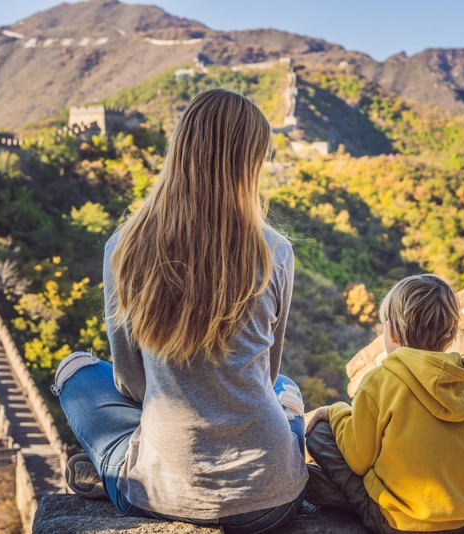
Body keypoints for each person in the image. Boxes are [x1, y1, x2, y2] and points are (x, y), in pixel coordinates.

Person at [51, 88, 308, 533]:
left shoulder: (124, 248)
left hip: (162, 496)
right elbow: (264, 374)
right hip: (273, 497)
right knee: (284, 387)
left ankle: (112, 469)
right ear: (248, 163)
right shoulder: (276, 252)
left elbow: (131, 386)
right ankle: (286, 416)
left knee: (75, 372)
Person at [304, 274, 464, 533]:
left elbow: (357, 460)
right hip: (462, 521)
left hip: (398, 523)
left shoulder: (379, 381)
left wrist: (335, 411)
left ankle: (345, 498)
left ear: (391, 332)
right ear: (451, 333)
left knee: (319, 434)